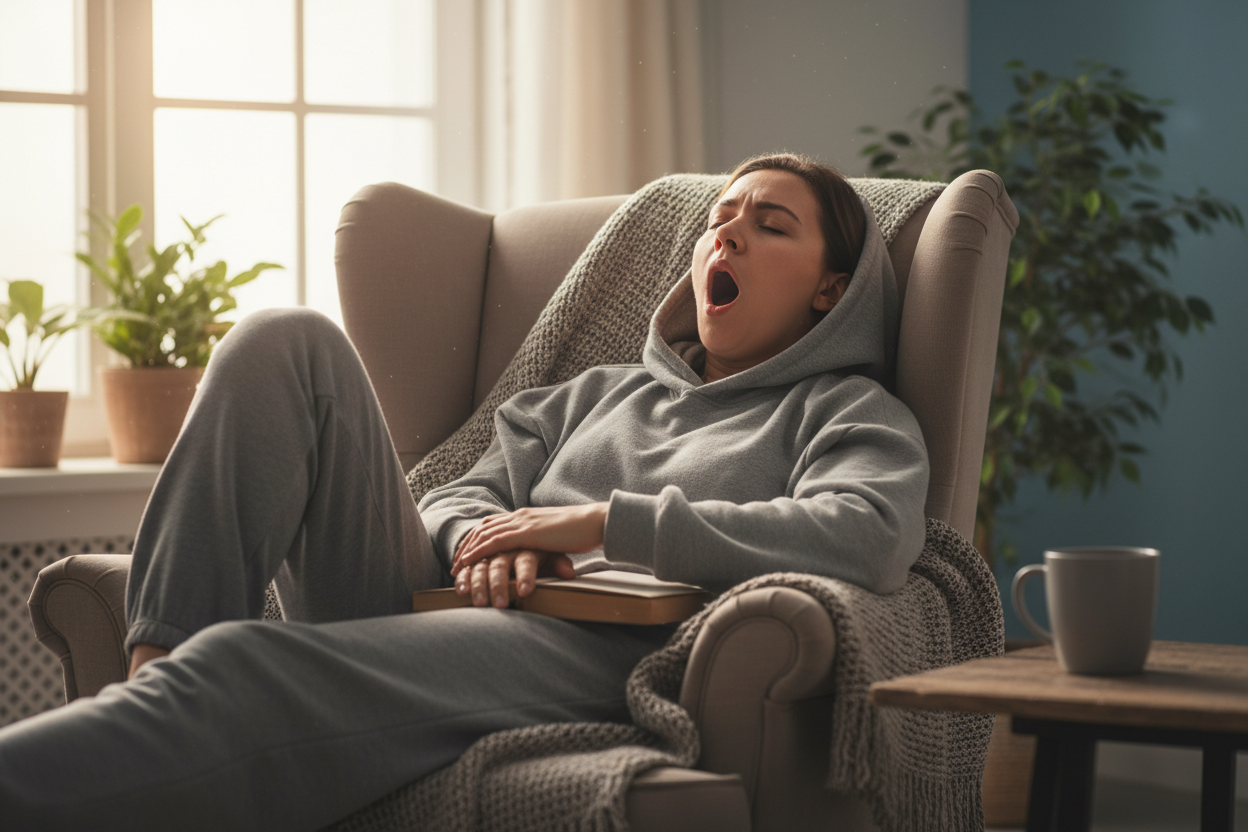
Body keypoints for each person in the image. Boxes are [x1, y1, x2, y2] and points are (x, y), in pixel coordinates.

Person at [0, 153, 928, 831]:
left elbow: (871, 533)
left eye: (771, 225)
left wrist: (606, 522)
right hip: (444, 600)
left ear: (831, 291)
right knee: (284, 338)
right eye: (722, 217)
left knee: (244, 665)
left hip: (593, 650)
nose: (728, 230)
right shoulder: (596, 393)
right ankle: (152, 680)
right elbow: (453, 492)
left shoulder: (843, 410)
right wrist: (496, 536)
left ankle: (146, 733)